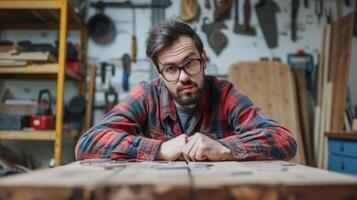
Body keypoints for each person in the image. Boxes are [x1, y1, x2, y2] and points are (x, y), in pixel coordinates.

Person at [75, 19, 297, 162]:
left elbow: (284, 139)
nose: (183, 77)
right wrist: (158, 150)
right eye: (170, 69)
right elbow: (88, 143)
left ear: (203, 59)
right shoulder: (147, 95)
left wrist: (225, 148)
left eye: (190, 63)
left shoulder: (225, 94)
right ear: (159, 73)